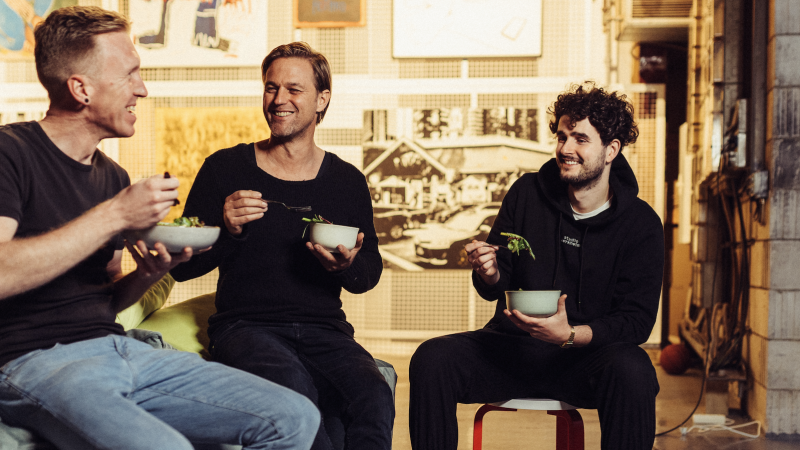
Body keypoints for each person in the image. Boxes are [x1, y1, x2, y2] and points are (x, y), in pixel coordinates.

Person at [0, 7, 318, 450]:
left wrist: (149, 273)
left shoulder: (112, 176)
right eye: (129, 74)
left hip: (119, 349)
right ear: (81, 88)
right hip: (35, 363)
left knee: (294, 417)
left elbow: (106, 301)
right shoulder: (10, 152)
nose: (142, 89)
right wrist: (115, 214)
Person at [409, 83, 665, 450]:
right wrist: (490, 272)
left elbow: (636, 322)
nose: (565, 148)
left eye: (580, 139)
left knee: (634, 369)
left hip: (584, 360)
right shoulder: (527, 193)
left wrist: (570, 335)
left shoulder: (641, 224)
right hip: (512, 351)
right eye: (561, 137)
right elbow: (496, 284)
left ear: (611, 150)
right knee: (432, 358)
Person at [170, 42, 394, 450]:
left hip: (326, 330)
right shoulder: (224, 168)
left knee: (374, 394)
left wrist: (345, 267)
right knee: (296, 395)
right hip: (245, 328)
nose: (278, 100)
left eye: (294, 89)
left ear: (322, 100)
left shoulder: (347, 181)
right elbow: (181, 268)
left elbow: (369, 273)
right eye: (271, 88)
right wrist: (225, 229)